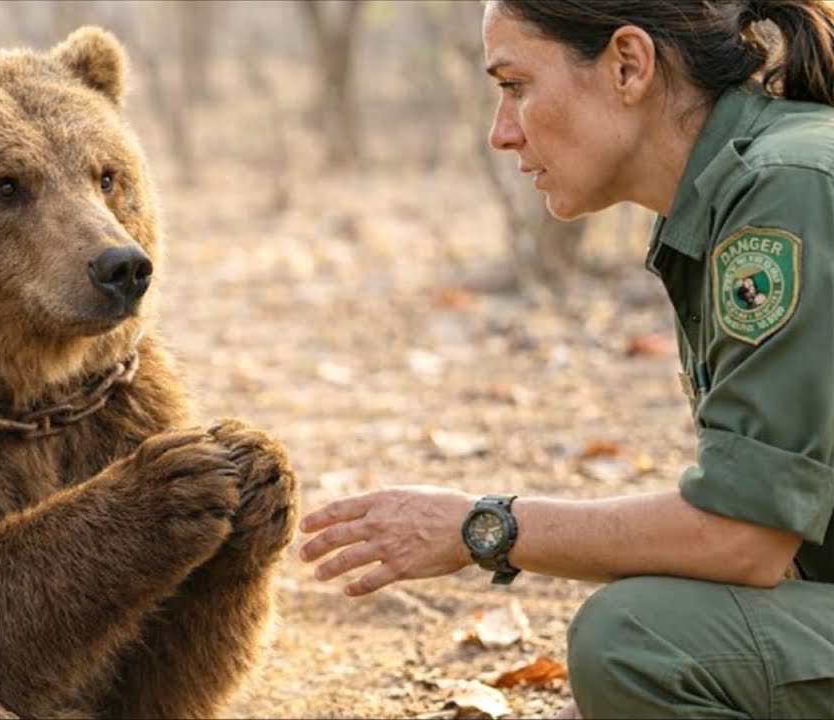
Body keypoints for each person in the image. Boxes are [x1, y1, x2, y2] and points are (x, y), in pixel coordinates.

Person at [299, 1, 834, 718]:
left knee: (635, 641)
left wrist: (478, 527)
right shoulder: (747, 187)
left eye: (515, 85)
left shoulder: (785, 191)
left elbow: (745, 537)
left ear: (628, 65)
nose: (501, 132)